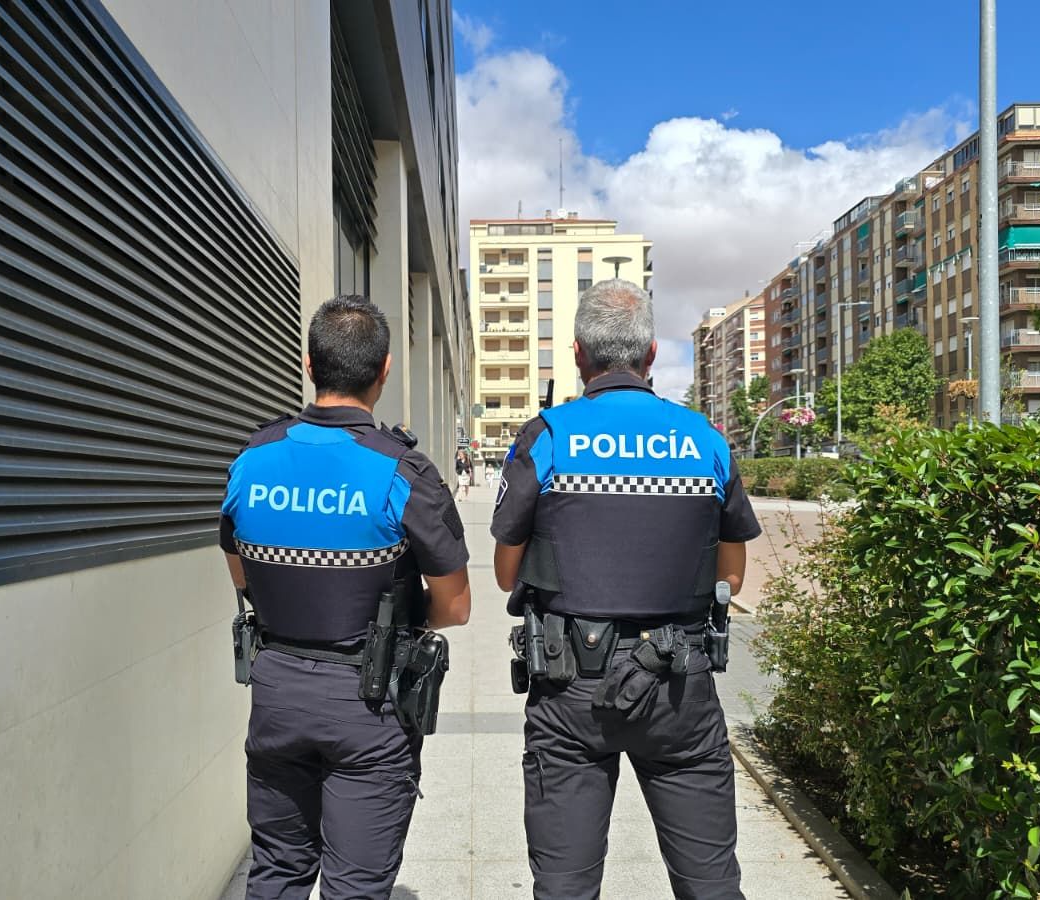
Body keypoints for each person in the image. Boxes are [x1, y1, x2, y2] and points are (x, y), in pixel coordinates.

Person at [491, 279, 761, 900]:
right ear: (651, 354)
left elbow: (507, 574)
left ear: (579, 354)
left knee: (564, 887)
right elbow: (732, 577)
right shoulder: (705, 439)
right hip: (680, 687)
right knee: (711, 885)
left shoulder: (547, 436)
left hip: (569, 688)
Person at [219, 294, 472, 899]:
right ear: (385, 369)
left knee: (276, 871)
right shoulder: (403, 471)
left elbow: (242, 577)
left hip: (276, 693)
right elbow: (456, 606)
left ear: (310, 364)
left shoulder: (253, 460)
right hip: (369, 702)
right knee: (355, 886)